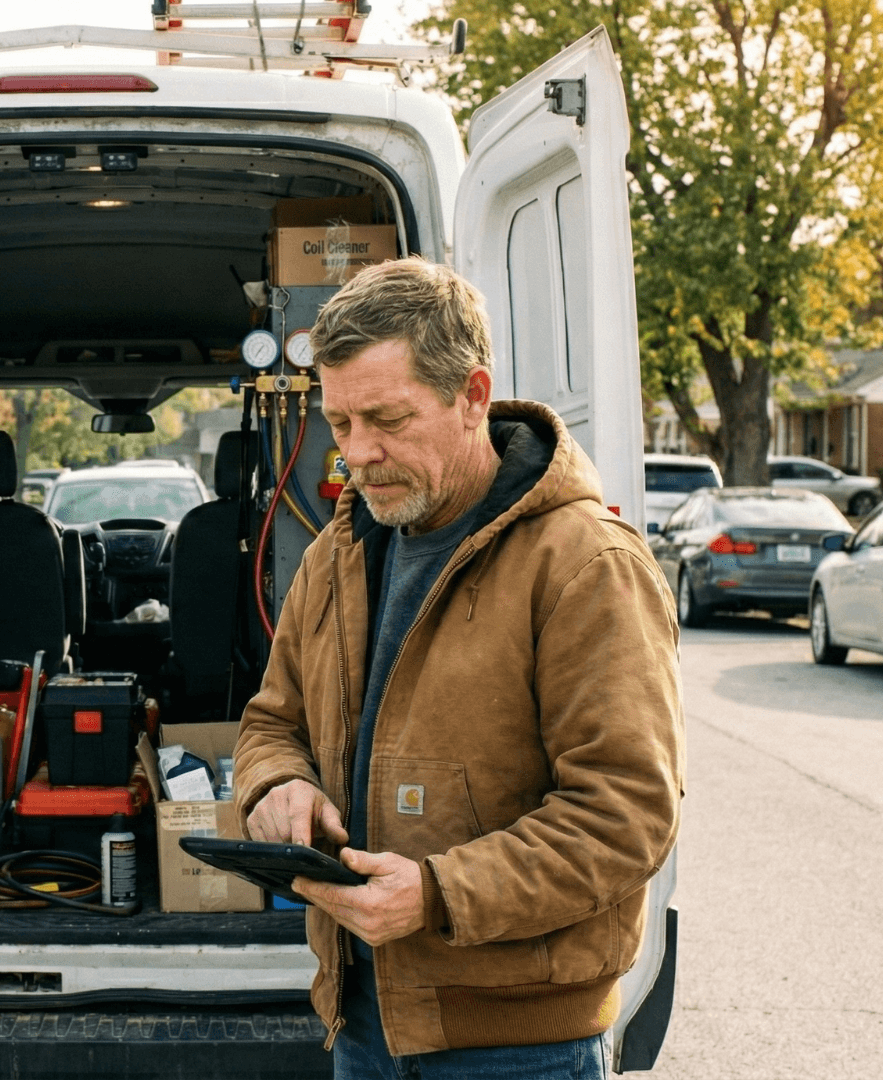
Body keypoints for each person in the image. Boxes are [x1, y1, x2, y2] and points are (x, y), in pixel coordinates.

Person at [233, 258, 683, 1079]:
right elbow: (272, 722)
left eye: (387, 419)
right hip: (364, 1021)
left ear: (472, 395)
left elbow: (626, 814)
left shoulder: (585, 564)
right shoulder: (341, 552)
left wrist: (439, 891)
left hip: (519, 1048)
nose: (358, 455)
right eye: (339, 424)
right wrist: (275, 787)